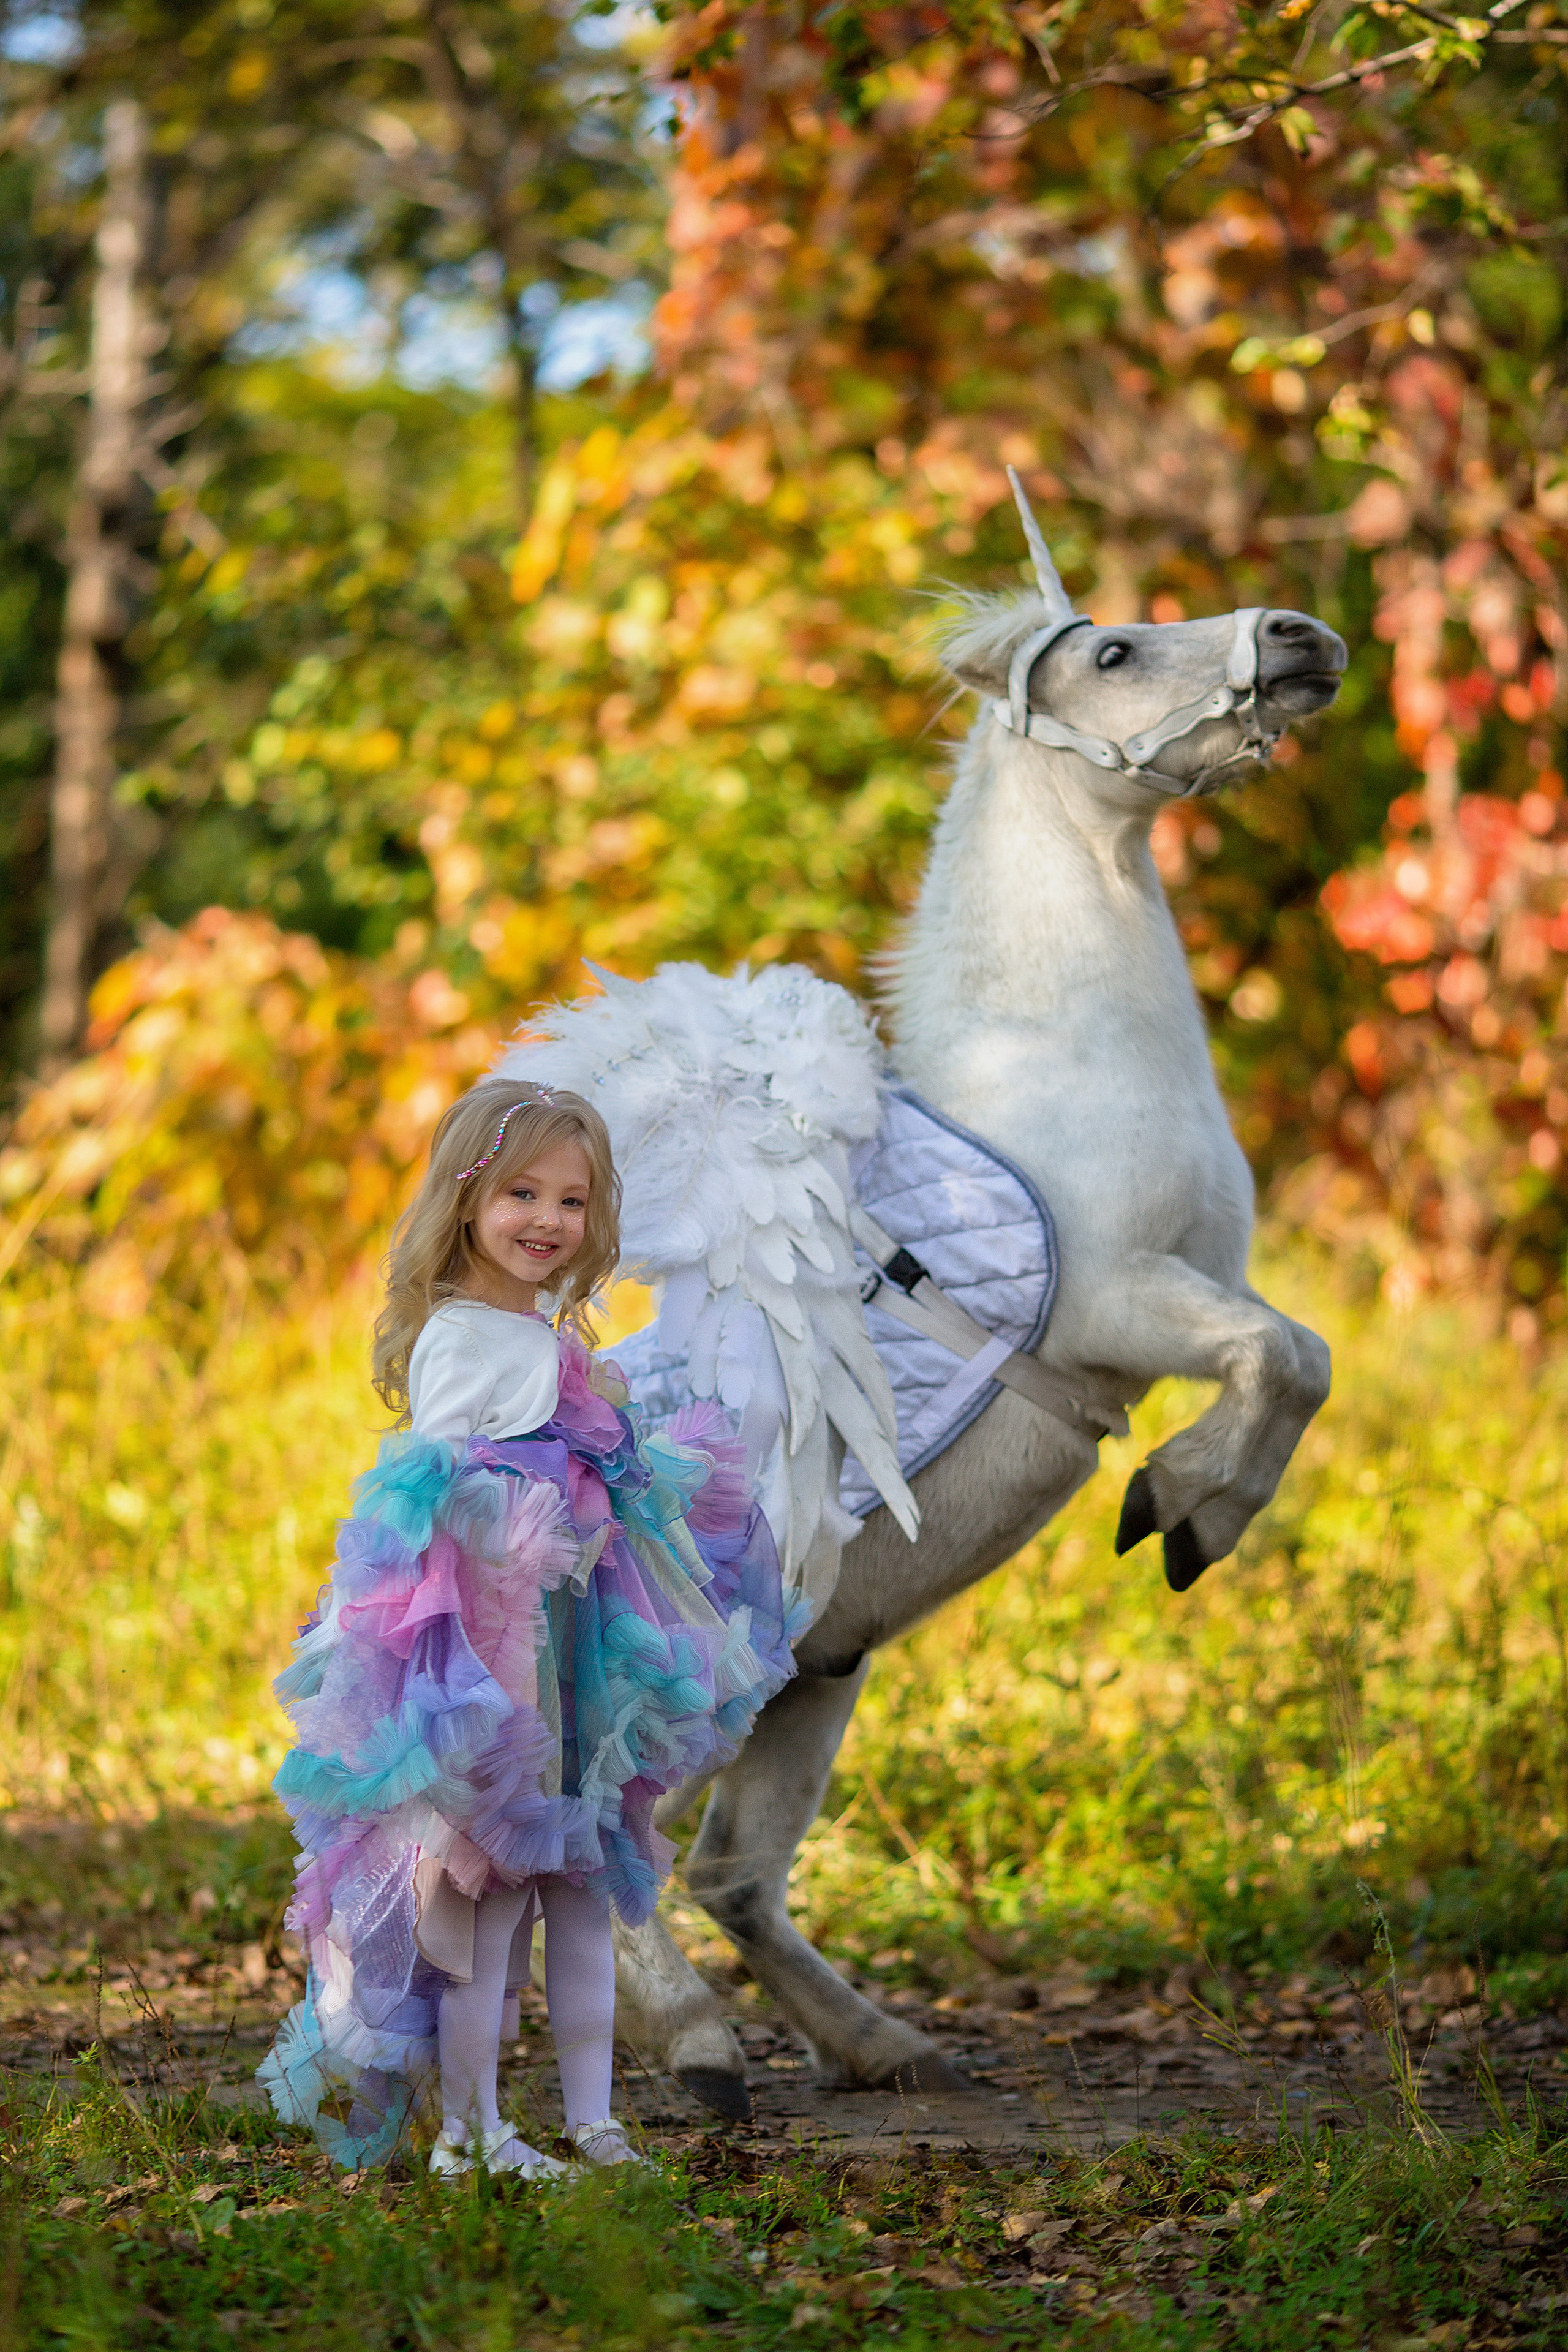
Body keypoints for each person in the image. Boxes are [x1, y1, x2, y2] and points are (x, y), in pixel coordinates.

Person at [258, 1078, 796, 2175]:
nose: (547, 1222)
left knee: (588, 1888)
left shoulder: (539, 1325)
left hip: (581, 1639)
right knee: (490, 1906)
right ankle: (469, 2131)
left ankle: (595, 2122)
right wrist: (511, 1542)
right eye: (521, 1194)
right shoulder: (460, 1337)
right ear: (466, 1198)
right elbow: (429, 1498)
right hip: (498, 1660)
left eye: (571, 1201)